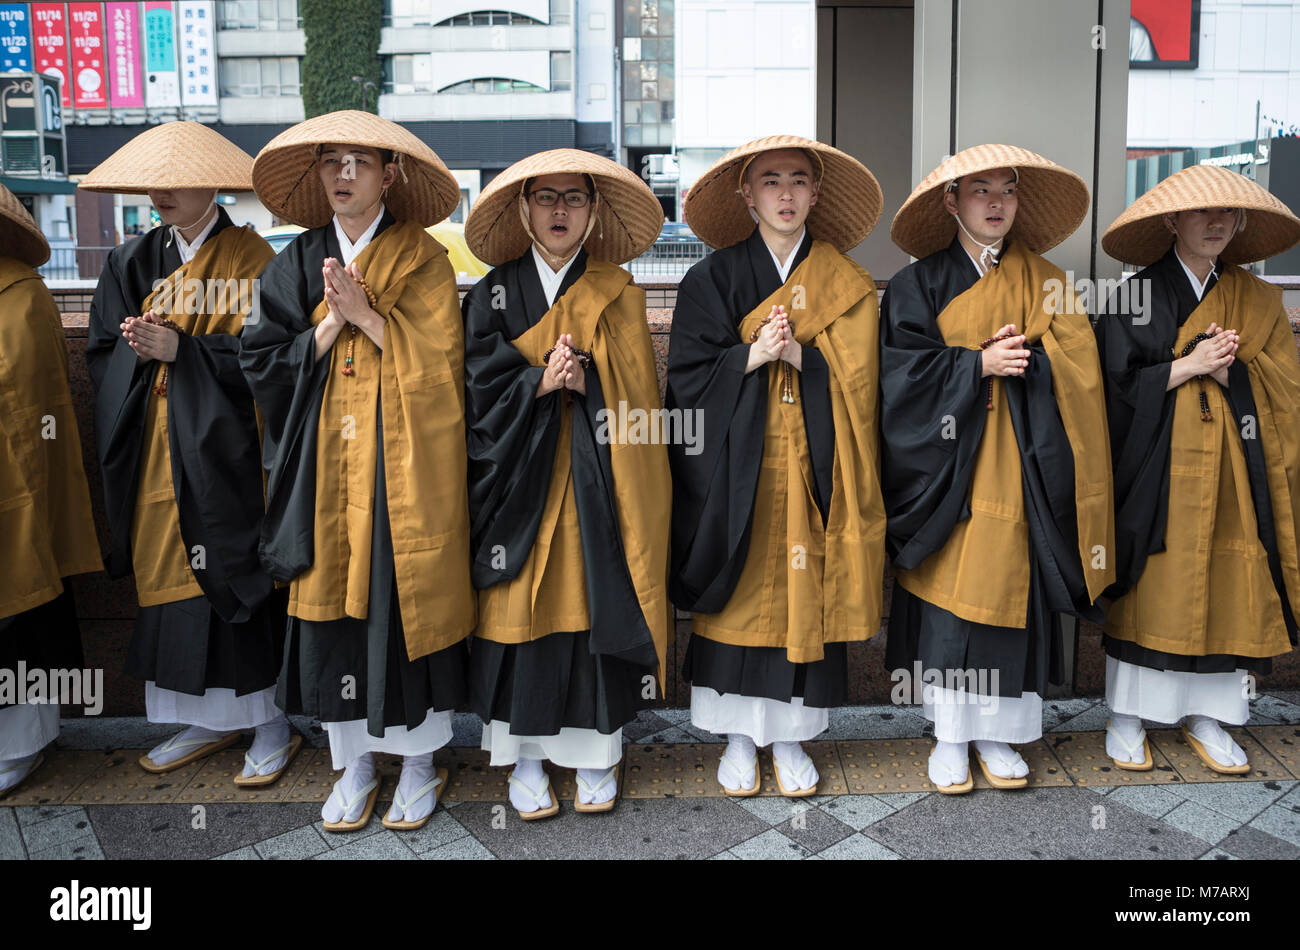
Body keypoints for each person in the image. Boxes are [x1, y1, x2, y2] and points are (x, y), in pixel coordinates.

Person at [241, 111, 475, 832]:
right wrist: (330, 323)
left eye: (360, 162)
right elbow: (260, 361)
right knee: (336, 610)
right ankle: (355, 764)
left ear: (389, 175)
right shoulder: (293, 261)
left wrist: (369, 316)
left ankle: (417, 764)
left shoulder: (424, 258)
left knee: (400, 601)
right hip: (326, 467)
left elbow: (443, 366)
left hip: (401, 464)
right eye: (332, 162)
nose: (344, 174)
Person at [880, 144, 1114, 793]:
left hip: (1026, 468)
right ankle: (951, 736)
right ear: (951, 202)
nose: (994, 203)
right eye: (978, 190)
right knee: (955, 602)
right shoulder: (916, 284)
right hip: (948, 474)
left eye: (1006, 190)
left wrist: (1032, 362)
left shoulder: (1050, 283)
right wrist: (972, 367)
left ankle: (1004, 734)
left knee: (1015, 594)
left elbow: (1082, 377)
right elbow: (897, 381)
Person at [666, 136, 886, 797]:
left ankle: (792, 738)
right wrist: (750, 359)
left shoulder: (845, 284)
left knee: (804, 595)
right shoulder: (712, 278)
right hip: (737, 473)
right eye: (770, 181)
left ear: (816, 194)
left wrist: (804, 362)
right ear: (747, 195)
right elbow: (686, 380)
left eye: (798, 181)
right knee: (740, 592)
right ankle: (736, 737)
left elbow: (863, 386)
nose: (785, 194)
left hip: (815, 467)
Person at [80, 122, 296, 784]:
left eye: (176, 180)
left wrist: (188, 352)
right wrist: (133, 350)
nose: (160, 192)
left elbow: (275, 359)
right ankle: (205, 718)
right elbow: (100, 354)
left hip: (226, 455)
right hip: (155, 454)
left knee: (231, 575)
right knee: (172, 593)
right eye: (155, 181)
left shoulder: (256, 260)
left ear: (212, 183)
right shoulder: (132, 260)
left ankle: (269, 720)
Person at [462, 149, 670, 819]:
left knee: (588, 609)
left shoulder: (618, 291)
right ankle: (523, 758)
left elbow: (642, 399)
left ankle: (596, 754)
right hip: (514, 484)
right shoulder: (494, 290)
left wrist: (591, 384)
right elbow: (472, 387)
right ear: (523, 209)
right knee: (517, 612)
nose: (559, 210)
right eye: (545, 198)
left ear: (593, 211)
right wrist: (535, 382)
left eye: (574, 198)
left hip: (592, 483)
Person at [1096, 164, 1300, 773]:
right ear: (1170, 221)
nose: (1216, 223)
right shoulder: (1133, 296)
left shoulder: (1257, 300)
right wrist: (1187, 366)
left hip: (1236, 470)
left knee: (1230, 583)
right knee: (1153, 585)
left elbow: (1284, 387)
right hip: (1158, 473)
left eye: (1228, 214)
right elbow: (1107, 391)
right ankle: (1127, 715)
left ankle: (1213, 715)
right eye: (1202, 212)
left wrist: (1234, 369)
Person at [0, 185, 102, 795]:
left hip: (17, 480)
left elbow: (29, 394)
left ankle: (24, 740)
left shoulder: (21, 292)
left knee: (22, 604)